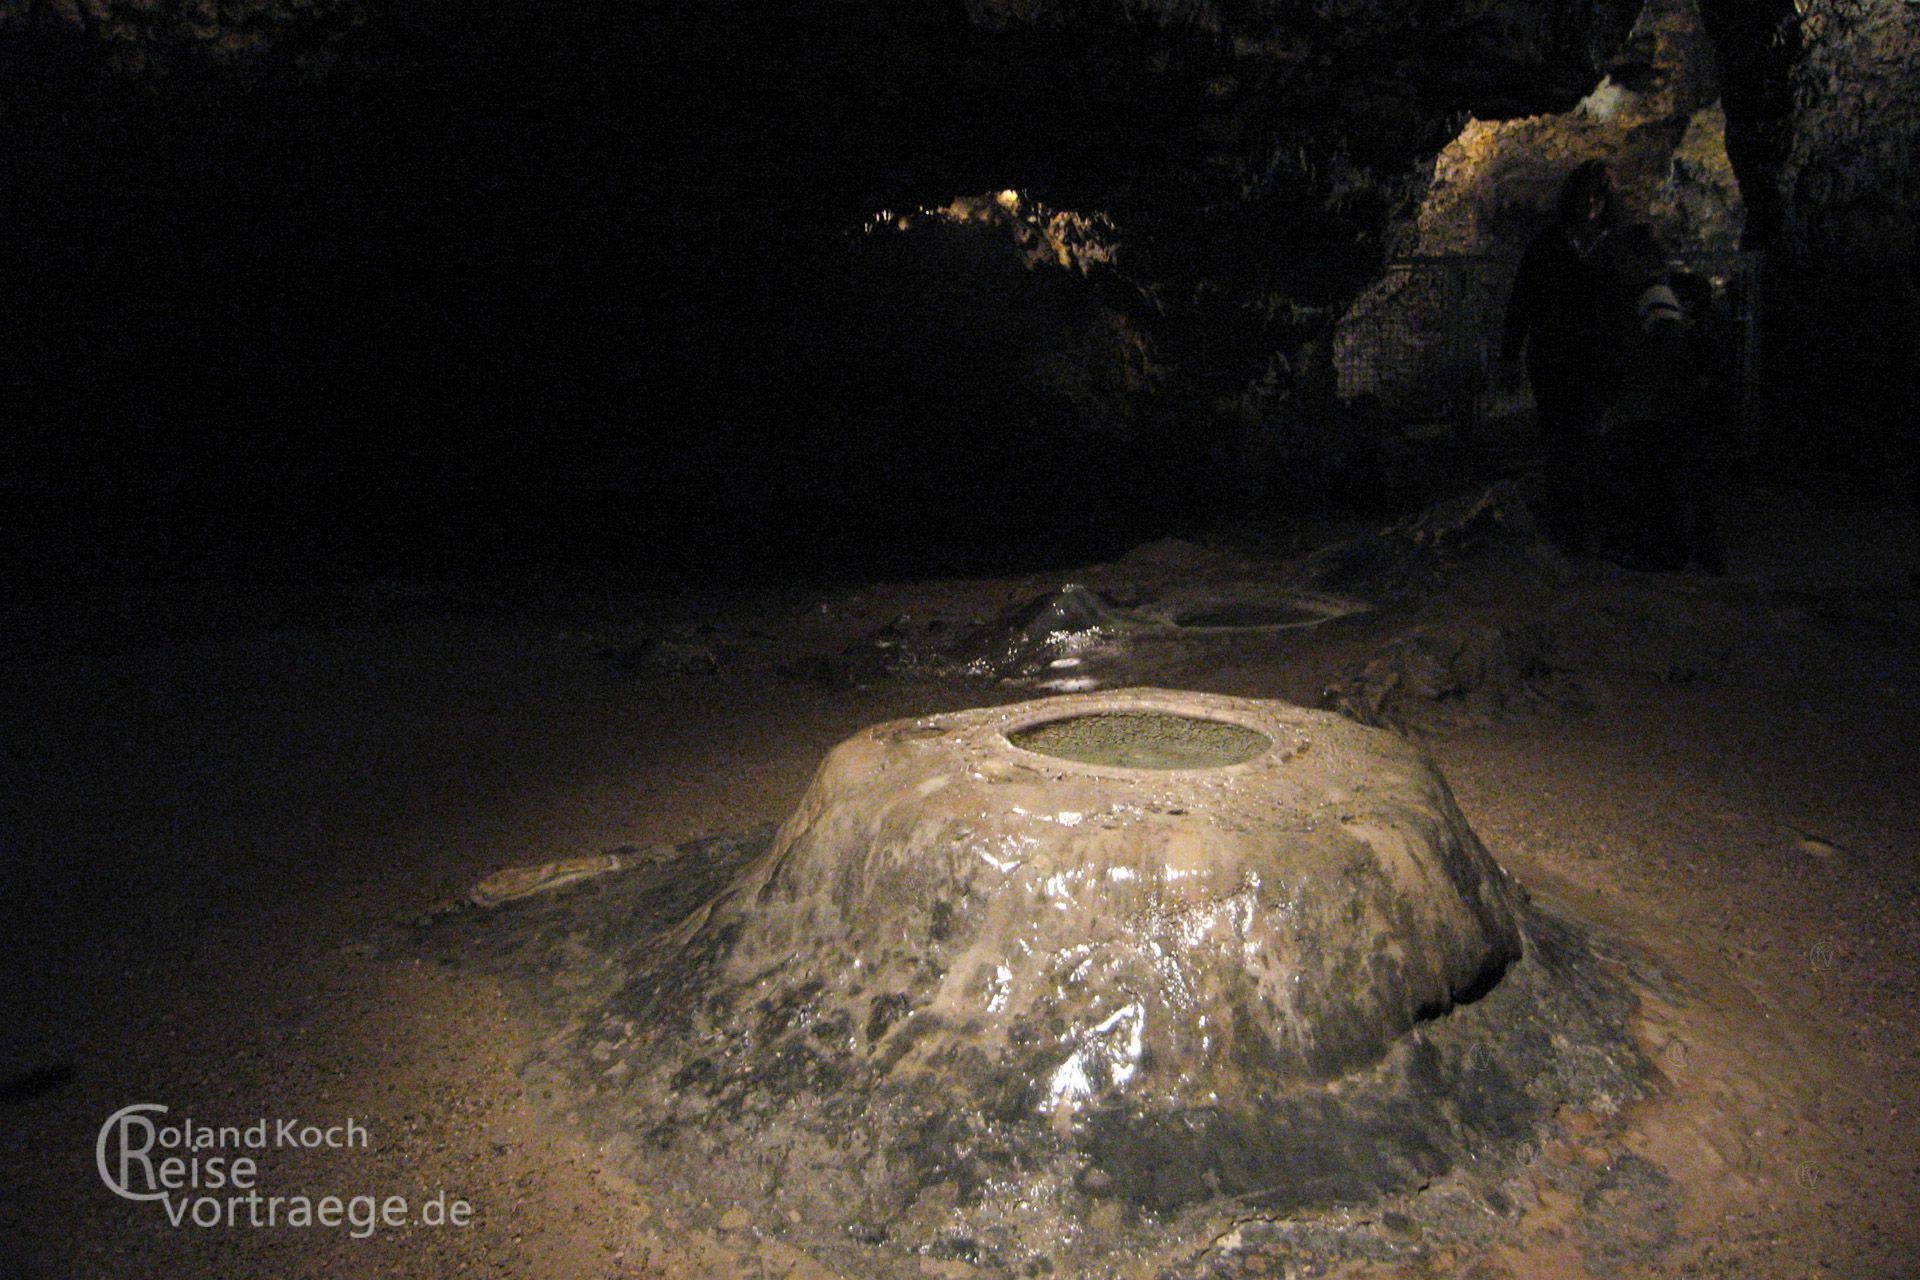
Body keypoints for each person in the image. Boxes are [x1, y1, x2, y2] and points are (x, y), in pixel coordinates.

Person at [1501, 160, 1619, 555]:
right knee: (1560, 447)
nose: (1591, 202)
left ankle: (1595, 533)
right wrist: (1509, 357)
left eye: (1598, 195)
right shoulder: (1549, 246)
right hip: (1553, 360)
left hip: (1596, 362)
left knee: (1594, 445)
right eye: (1585, 194)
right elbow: (1521, 303)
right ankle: (1568, 535)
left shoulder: (1613, 245)